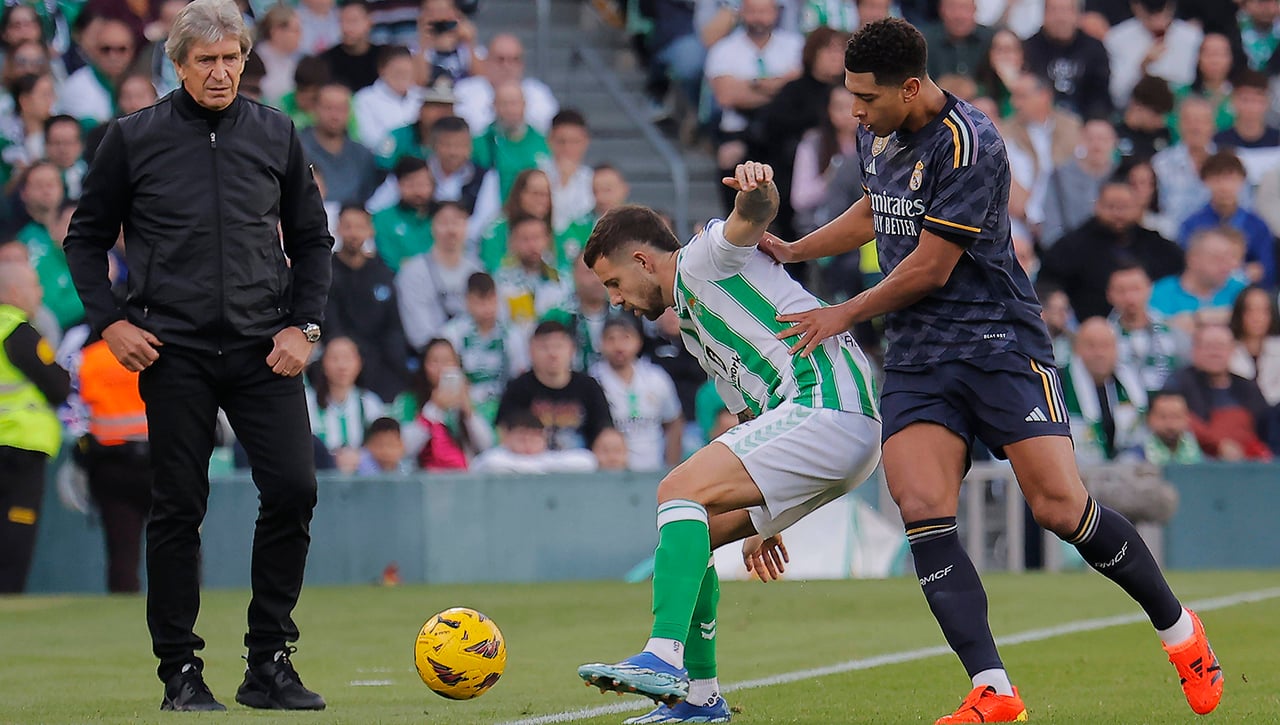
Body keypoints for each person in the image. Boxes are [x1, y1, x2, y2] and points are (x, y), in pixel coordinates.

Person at [760, 19, 1221, 722]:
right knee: (920, 503)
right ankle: (993, 688)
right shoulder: (876, 129)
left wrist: (842, 311)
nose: (855, 110)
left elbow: (929, 266)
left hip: (998, 342)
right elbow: (875, 206)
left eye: (867, 98)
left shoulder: (972, 144)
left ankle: (1181, 631)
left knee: (1060, 508)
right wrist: (795, 249)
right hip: (918, 353)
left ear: (910, 87)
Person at [62, 0, 331, 712]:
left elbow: (311, 241)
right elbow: (84, 240)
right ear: (177, 65)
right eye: (205, 60)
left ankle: (268, 660)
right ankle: (180, 672)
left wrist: (303, 328)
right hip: (171, 350)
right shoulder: (131, 138)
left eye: (231, 57)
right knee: (179, 507)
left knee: (295, 488)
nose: (220, 72)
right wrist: (110, 324)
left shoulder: (277, 133)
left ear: (246, 59)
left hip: (262, 348)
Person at [575, 161, 881, 723]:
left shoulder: (702, 260)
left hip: (830, 406)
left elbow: (752, 217)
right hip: (825, 430)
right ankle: (701, 699)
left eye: (614, 282)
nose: (615, 299)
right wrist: (768, 517)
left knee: (677, 489)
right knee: (696, 531)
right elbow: (748, 420)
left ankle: (663, 656)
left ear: (644, 260)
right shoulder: (694, 327)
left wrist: (758, 189)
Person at [0, 261, 68, 594]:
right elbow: (58, 385)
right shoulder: (17, 332)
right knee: (18, 519)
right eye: (33, 286)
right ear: (13, 292)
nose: (39, 293)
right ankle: (9, 595)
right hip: (20, 442)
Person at [74, 335, 153, 593]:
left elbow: (76, 404)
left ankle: (123, 607)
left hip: (110, 461)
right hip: (163, 458)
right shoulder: (157, 346)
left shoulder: (91, 357)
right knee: (178, 540)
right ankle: (184, 605)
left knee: (121, 551)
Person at [496, 319, 613, 452]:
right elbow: (504, 432)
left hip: (580, 462)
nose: (552, 354)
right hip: (532, 463)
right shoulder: (517, 388)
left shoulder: (589, 387)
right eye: (544, 347)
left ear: (571, 350)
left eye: (558, 346)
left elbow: (605, 431)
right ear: (531, 351)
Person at [589, 314, 684, 472]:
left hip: (654, 468)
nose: (618, 346)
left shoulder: (656, 377)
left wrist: (671, 466)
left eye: (625, 338)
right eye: (611, 339)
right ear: (601, 343)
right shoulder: (593, 380)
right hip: (609, 472)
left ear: (638, 341)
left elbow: (674, 422)